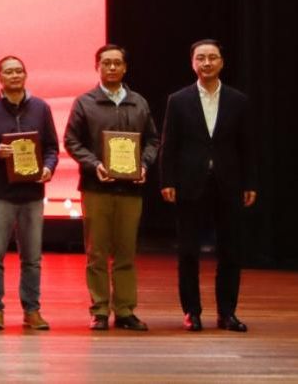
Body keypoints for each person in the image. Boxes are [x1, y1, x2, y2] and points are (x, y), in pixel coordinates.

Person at [160, 39, 256, 332]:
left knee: (230, 251)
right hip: (190, 183)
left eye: (212, 57)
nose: (206, 63)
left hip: (229, 183)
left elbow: (247, 146)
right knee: (188, 251)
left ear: (221, 62)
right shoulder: (178, 100)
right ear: (193, 63)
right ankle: (192, 312)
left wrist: (249, 183)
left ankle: (227, 313)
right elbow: (169, 144)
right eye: (200, 58)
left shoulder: (238, 100)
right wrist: (167, 180)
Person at [64, 44, 159, 331]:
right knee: (96, 253)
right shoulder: (85, 102)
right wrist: (94, 164)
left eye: (117, 63)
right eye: (106, 63)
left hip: (131, 190)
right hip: (96, 188)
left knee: (126, 252)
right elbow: (71, 141)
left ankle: (125, 310)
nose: (112, 67)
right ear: (97, 67)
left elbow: (153, 140)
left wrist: (144, 165)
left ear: (125, 67)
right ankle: (100, 309)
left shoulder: (139, 102)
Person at [0, 55, 59, 331]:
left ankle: (32, 310)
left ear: (25, 75)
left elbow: (52, 148)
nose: (15, 75)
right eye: (9, 72)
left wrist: (48, 167)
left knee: (32, 257)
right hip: (0, 193)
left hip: (32, 194)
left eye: (19, 70)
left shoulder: (41, 108)